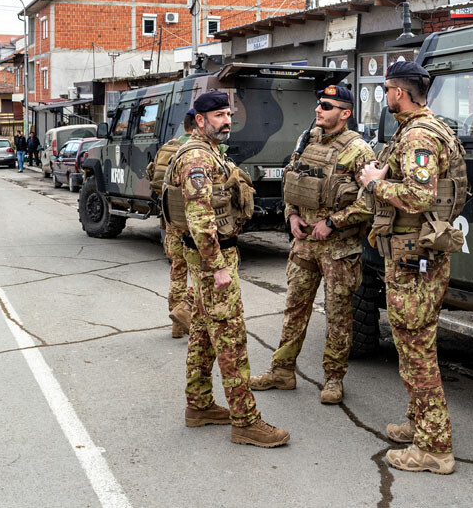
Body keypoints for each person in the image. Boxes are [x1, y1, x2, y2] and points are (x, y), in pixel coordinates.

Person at [358, 60, 467, 476]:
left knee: (417, 351)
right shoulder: (428, 128)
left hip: (411, 259)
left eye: (386, 90)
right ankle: (419, 423)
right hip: (416, 255)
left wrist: (372, 183)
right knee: (412, 345)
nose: (385, 97)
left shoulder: (419, 135)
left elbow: (418, 198)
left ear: (399, 93)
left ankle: (435, 448)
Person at [163, 91, 289, 448]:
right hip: (212, 260)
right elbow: (200, 218)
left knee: (203, 331)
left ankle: (199, 405)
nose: (227, 120)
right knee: (231, 338)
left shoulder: (206, 151)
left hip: (206, 258)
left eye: (228, 114)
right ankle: (246, 421)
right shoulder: (198, 158)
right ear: (200, 120)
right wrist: (216, 265)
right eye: (218, 115)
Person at [250, 84, 374, 405]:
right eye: (319, 104)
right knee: (295, 307)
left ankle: (333, 379)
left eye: (327, 106)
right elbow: (292, 183)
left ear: (345, 114)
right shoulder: (306, 140)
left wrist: (332, 223)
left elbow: (370, 202)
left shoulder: (359, 151)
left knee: (338, 313)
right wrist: (292, 217)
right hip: (304, 243)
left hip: (338, 247)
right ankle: (282, 370)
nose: (319, 110)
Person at [146, 108, 198, 338]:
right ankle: (191, 319)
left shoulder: (167, 148)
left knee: (177, 270)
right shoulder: (200, 150)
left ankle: (177, 326)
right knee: (200, 273)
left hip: (170, 221)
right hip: (195, 222)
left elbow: (152, 177)